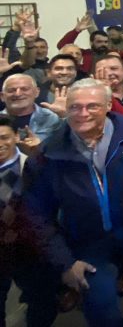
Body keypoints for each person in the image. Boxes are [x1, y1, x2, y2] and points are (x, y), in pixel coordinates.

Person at [23, 79, 123, 327]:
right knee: (100, 308)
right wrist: (65, 262)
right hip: (87, 239)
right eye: (75, 107)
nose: (83, 113)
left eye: (92, 106)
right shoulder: (48, 154)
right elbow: (37, 216)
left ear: (109, 105)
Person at [0, 116, 59, 327]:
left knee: (43, 302)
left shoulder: (37, 165)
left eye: (4, 137)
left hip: (33, 249)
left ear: (16, 136)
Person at [0, 74, 62, 143]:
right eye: (11, 90)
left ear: (36, 92)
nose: (18, 94)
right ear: (2, 96)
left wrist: (65, 115)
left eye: (25, 89)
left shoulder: (51, 118)